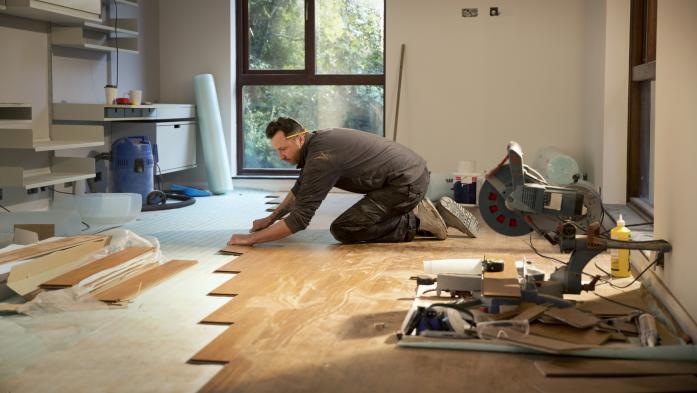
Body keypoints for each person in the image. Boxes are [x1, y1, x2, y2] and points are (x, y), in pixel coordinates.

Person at [227, 117, 478, 246]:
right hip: (408, 176)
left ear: (300, 139)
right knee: (360, 219)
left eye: (283, 148)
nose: (281, 156)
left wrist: (251, 240)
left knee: (344, 229)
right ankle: (421, 209)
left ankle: (419, 221)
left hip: (405, 184)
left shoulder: (321, 158)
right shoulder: (319, 144)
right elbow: (300, 189)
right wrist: (270, 219)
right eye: (277, 151)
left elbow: (300, 220)